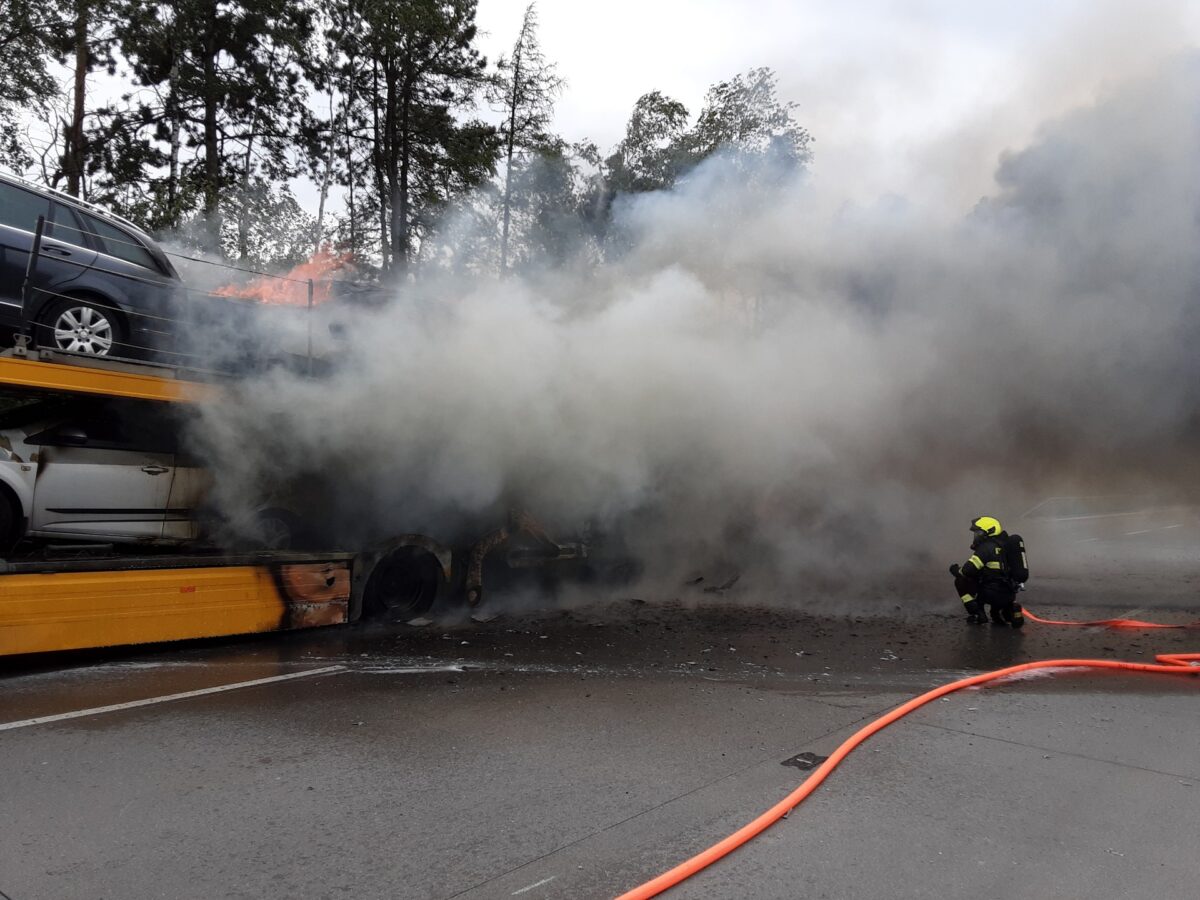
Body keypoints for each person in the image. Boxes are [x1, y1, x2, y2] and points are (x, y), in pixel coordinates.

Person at [949, 515, 1025, 628]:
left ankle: (978, 613)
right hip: (1009, 594)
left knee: (960, 581)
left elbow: (966, 571)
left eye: (978, 532)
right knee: (998, 615)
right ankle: (1011, 611)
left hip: (990, 593)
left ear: (989, 532)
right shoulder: (1007, 546)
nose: (976, 536)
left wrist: (955, 570)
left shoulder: (986, 548)